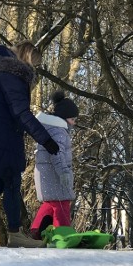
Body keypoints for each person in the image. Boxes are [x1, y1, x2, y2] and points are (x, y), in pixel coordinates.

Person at [0, 41, 60, 248]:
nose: (34, 70)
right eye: (35, 65)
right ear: (27, 59)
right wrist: (46, 139)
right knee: (12, 184)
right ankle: (15, 234)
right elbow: (21, 113)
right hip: (2, 139)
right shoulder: (12, 75)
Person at [29, 90, 78, 240]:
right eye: (73, 119)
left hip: (46, 173)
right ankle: (64, 234)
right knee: (62, 203)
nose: (74, 123)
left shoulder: (51, 129)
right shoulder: (58, 131)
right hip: (54, 173)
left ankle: (36, 230)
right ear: (64, 118)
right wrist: (63, 172)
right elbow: (57, 153)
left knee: (51, 203)